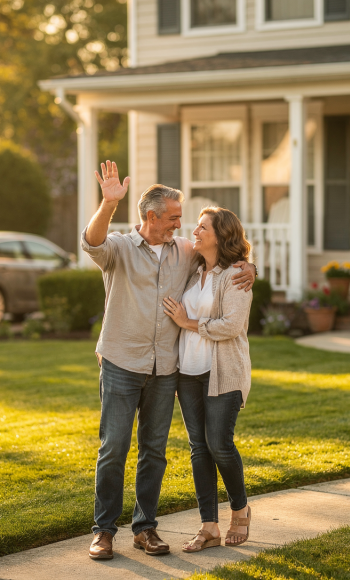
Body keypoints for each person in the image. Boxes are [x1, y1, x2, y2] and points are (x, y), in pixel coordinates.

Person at [82, 161, 255, 561]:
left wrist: (250, 268)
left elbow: (226, 258)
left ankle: (145, 529)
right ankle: (104, 531)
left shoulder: (185, 252)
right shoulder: (121, 248)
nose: (181, 225)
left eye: (183, 219)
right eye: (175, 217)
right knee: (114, 447)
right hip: (124, 363)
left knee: (155, 451)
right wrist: (108, 204)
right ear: (152, 216)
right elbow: (92, 242)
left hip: (166, 370)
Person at [162, 206, 254, 553]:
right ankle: (209, 526)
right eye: (196, 227)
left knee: (219, 444)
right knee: (199, 449)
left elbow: (231, 325)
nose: (194, 232)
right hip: (188, 373)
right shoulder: (193, 267)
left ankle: (240, 510)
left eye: (203, 228)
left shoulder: (235, 276)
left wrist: (189, 324)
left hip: (223, 373)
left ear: (221, 235)